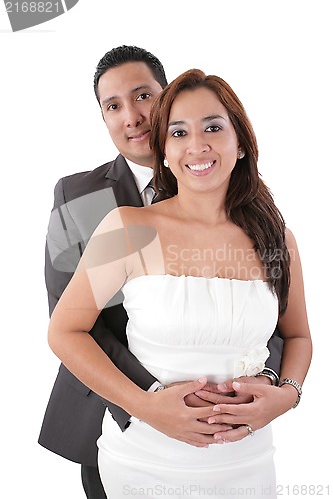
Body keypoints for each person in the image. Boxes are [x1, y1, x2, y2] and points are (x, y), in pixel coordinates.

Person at [47, 68, 312, 498]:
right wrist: (147, 408)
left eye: (212, 127)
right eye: (179, 133)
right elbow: (64, 331)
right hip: (146, 463)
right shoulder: (128, 227)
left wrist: (287, 395)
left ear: (240, 143)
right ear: (165, 151)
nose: (197, 145)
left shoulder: (277, 239)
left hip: (247, 465)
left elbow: (298, 335)